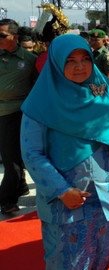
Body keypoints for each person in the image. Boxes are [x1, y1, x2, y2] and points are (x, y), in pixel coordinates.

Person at [20, 34, 109, 269]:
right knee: (71, 259)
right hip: (68, 198)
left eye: (85, 59)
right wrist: (62, 190)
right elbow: (32, 153)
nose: (79, 66)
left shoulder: (104, 91)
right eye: (70, 61)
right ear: (56, 62)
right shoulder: (41, 102)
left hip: (108, 189)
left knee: (108, 248)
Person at [0, 19, 37, 215]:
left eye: (2, 35)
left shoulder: (30, 60)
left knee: (27, 156)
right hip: (3, 116)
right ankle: (7, 198)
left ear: (14, 37)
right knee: (11, 160)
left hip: (24, 115)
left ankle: (12, 193)